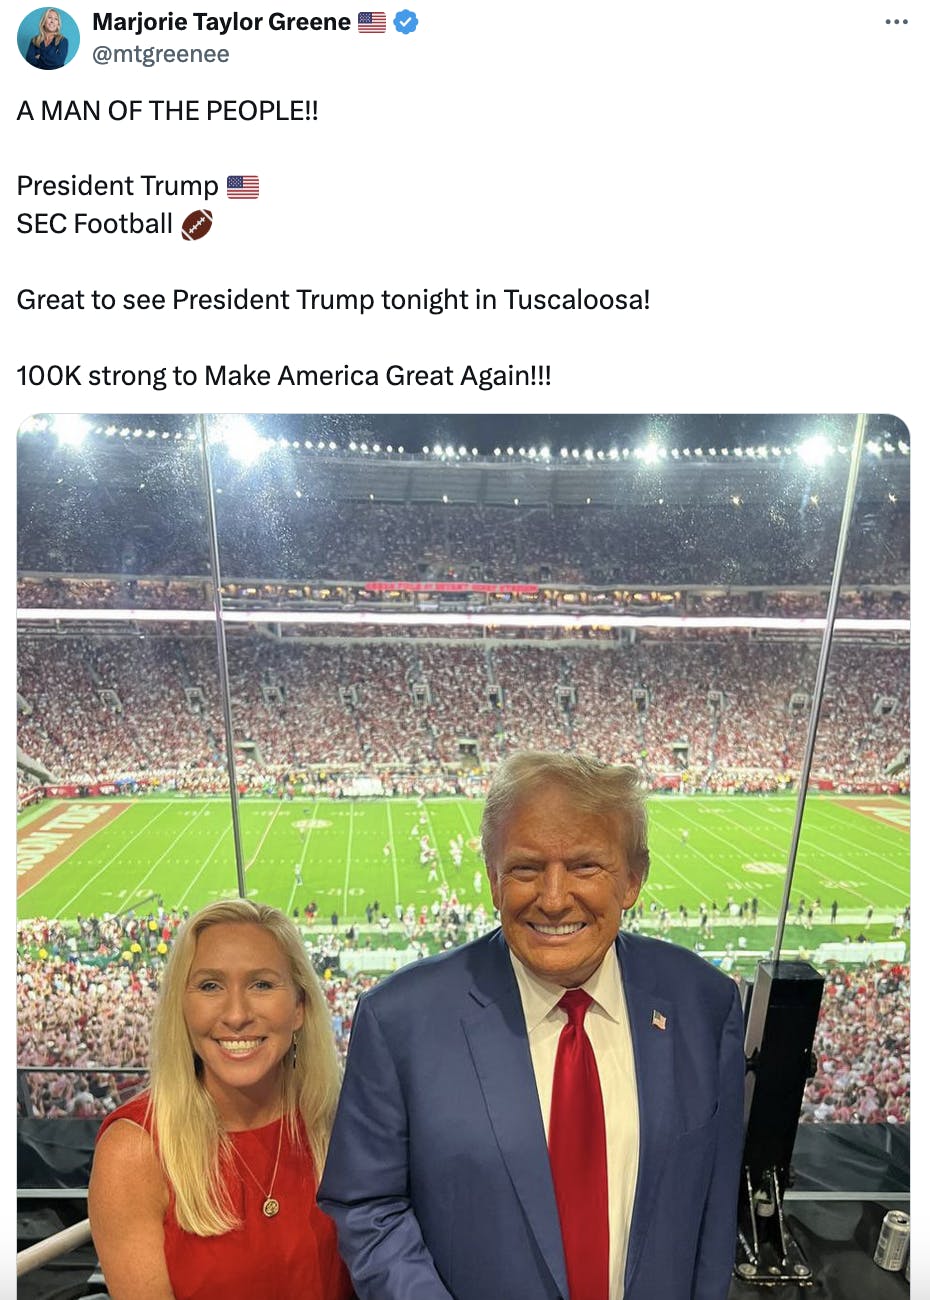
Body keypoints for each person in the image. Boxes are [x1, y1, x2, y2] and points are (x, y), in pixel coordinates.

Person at [319, 751, 745, 1300]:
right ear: (494, 880)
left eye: (586, 866)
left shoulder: (703, 1004)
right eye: (525, 868)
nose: (552, 898)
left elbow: (713, 1211)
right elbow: (368, 1207)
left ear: (634, 880)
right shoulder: (400, 1020)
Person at [88, 899, 353, 1300]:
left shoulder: (341, 1121)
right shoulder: (134, 1151)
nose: (236, 1014)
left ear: (299, 1006)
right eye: (210, 985)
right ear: (182, 1005)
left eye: (261, 984)